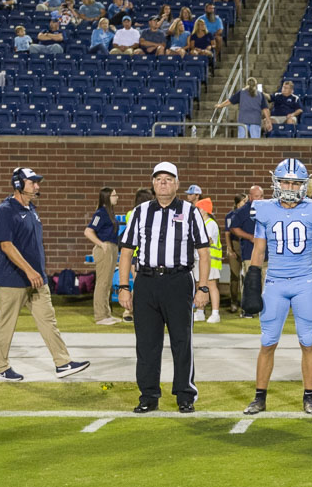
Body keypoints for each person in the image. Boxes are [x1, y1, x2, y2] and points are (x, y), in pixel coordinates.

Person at [240, 160, 312, 415]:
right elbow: (259, 249)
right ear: (277, 182)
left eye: (296, 182)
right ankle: (259, 397)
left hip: (304, 282)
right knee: (267, 341)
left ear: (304, 186)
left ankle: (309, 397)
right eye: (286, 181)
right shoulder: (264, 209)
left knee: (307, 341)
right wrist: (252, 281)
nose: (290, 186)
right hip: (274, 282)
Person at [117, 162, 212, 413]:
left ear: (177, 184)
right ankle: (148, 395)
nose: (163, 183)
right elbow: (126, 251)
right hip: (147, 281)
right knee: (147, 343)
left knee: (182, 340)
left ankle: (185, 394)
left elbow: (204, 253)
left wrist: (203, 288)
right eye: (158, 179)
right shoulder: (139, 212)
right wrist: (124, 286)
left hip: (178, 280)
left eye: (168, 179)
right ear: (152, 183)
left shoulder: (190, 212)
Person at [0, 168, 90, 382]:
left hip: (36, 279)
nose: (37, 186)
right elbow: (6, 246)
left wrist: (39, 272)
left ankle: (62, 363)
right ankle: (0, 367)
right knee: (6, 322)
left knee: (48, 320)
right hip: (13, 278)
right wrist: (29, 270)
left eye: (37, 182)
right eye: (32, 182)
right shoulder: (5, 210)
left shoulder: (32, 209)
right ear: (18, 184)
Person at [84, 187, 122, 326]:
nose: (117, 197)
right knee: (102, 283)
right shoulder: (100, 213)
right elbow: (88, 231)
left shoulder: (109, 212)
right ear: (107, 197)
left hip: (112, 247)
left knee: (107, 283)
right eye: (114, 195)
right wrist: (101, 244)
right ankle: (100, 316)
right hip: (104, 248)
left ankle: (107, 314)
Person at [192, 197, 223, 323]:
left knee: (211, 285)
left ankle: (215, 313)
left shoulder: (211, 224)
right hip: (199, 259)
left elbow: (208, 240)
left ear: (204, 210)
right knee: (200, 284)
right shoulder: (201, 224)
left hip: (210, 260)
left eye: (198, 208)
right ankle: (200, 311)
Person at [224, 192, 247, 314]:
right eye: (244, 201)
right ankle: (233, 301)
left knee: (246, 276)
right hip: (235, 244)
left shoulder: (249, 214)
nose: (246, 203)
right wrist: (230, 249)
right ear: (238, 203)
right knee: (234, 276)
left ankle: (246, 303)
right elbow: (227, 233)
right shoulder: (230, 216)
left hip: (246, 245)